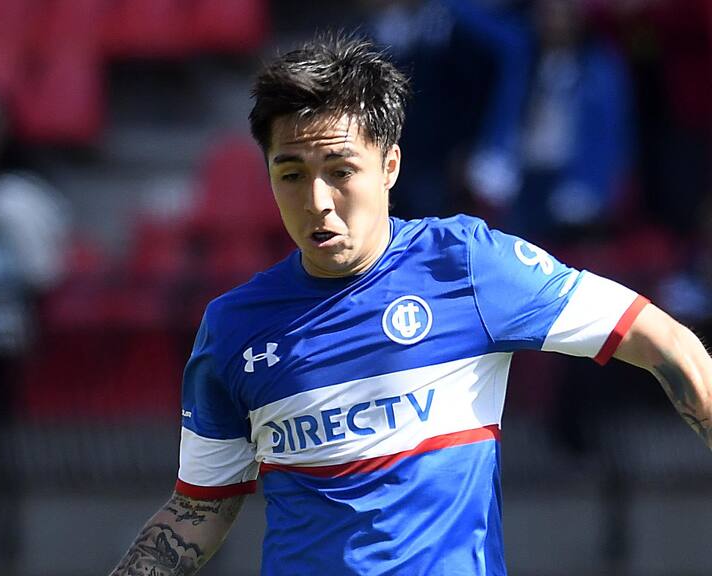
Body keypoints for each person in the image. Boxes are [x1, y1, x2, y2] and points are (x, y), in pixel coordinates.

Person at [109, 34, 712, 576]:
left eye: (340, 170)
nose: (318, 200)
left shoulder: (469, 266)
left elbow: (664, 341)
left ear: (390, 166)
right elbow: (199, 507)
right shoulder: (233, 327)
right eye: (290, 174)